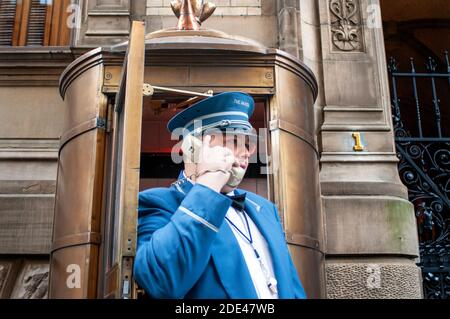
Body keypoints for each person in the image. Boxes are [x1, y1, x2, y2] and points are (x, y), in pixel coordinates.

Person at [134, 92, 306, 299]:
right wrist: (207, 187)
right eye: (233, 140)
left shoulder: (265, 208)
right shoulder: (158, 203)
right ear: (193, 149)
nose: (246, 152)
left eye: (247, 144)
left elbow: (293, 287)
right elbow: (160, 281)